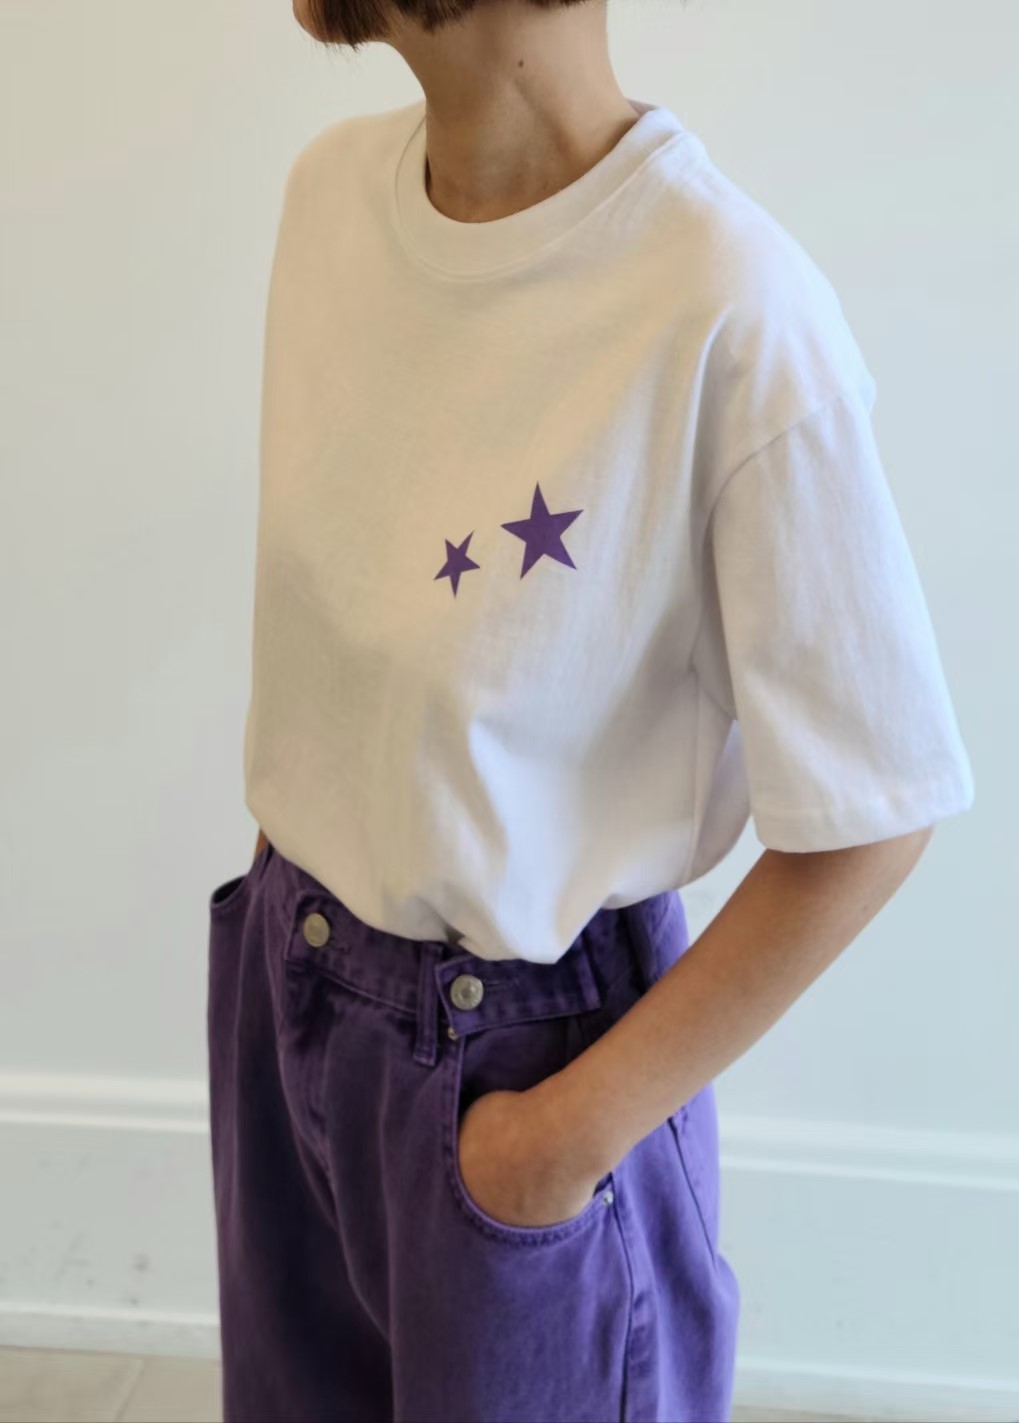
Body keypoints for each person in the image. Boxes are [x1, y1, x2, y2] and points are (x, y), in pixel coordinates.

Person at [204, 2, 976, 1420]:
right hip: (284, 984)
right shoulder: (330, 201)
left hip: (521, 1071)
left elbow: (879, 810)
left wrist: (555, 1146)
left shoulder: (728, 307)